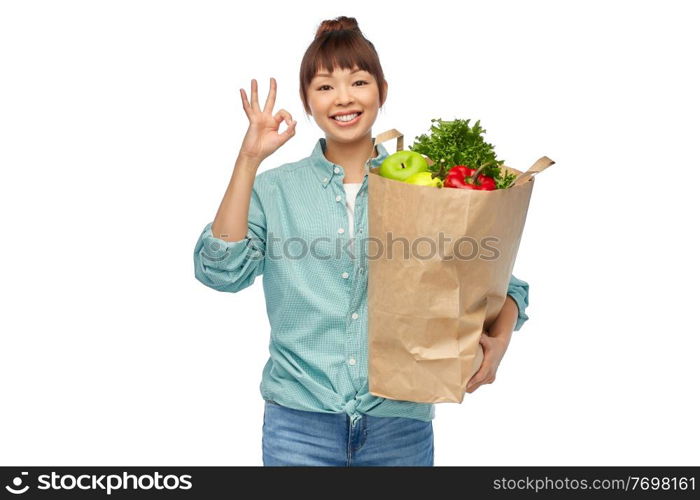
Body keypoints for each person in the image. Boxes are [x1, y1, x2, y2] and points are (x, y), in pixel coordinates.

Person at [193, 16, 530, 467]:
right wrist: (248, 159)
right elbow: (221, 271)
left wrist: (501, 340)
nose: (344, 98)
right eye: (325, 86)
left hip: (400, 424)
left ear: (382, 91)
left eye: (358, 81)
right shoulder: (275, 190)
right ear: (307, 102)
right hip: (298, 424)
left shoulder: (427, 188)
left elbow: (499, 283)